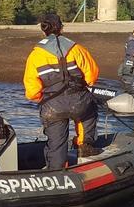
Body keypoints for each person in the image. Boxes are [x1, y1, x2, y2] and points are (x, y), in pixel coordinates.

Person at [23, 13, 101, 170]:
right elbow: (92, 75)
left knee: (56, 144)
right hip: (79, 101)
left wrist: (41, 98)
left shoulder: (35, 55)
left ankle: (56, 169)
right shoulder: (76, 48)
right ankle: (84, 144)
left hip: (52, 107)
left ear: (42, 30)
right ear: (61, 27)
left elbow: (31, 90)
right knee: (89, 111)